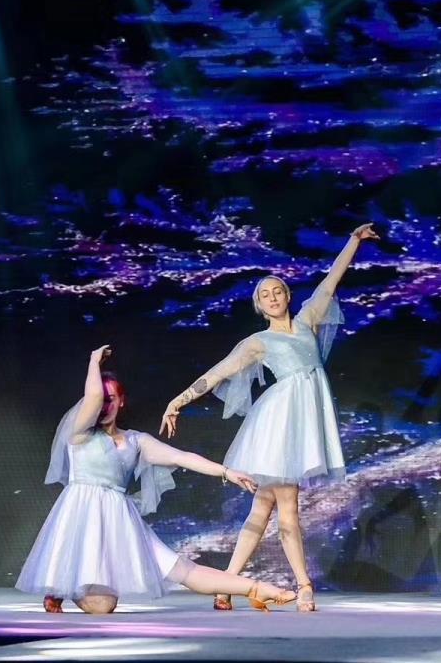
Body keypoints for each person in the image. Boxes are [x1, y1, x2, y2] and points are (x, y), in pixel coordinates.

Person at [161, 224, 379, 612]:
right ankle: (304, 585)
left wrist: (353, 241)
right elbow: (218, 373)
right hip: (280, 427)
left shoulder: (307, 320)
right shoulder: (258, 342)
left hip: (298, 423)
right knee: (287, 509)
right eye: (265, 295)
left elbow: (331, 280)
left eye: (278, 291)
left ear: (288, 296)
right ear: (260, 307)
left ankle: (225, 587)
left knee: (261, 509)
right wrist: (178, 400)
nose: (273, 297)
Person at [16, 345, 296, 614]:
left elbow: (182, 457)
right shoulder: (80, 434)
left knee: (182, 570)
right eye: (100, 399)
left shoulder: (135, 441)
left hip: (119, 520)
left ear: (121, 401)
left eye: (110, 399)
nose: (103, 405)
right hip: (83, 516)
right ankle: (64, 585)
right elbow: (92, 398)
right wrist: (93, 362)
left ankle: (258, 589)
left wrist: (226, 472)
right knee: (102, 607)